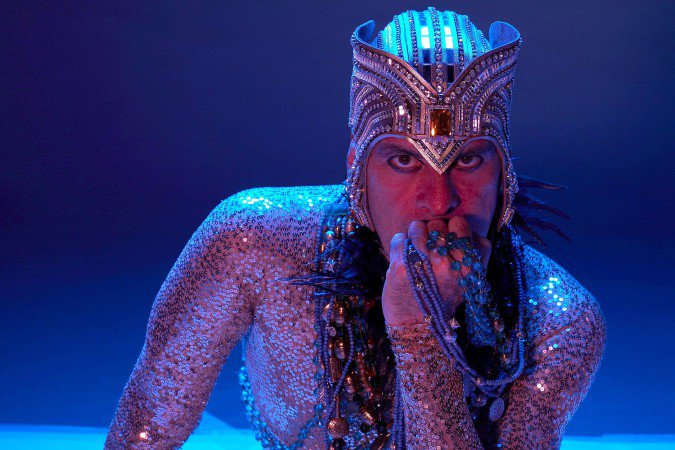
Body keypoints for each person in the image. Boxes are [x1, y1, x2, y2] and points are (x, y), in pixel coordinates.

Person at [105, 7, 606, 449]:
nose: (439, 200)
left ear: (505, 174)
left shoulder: (562, 320)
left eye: (469, 160)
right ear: (357, 170)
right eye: (404, 160)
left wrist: (419, 335)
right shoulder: (253, 239)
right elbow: (146, 427)